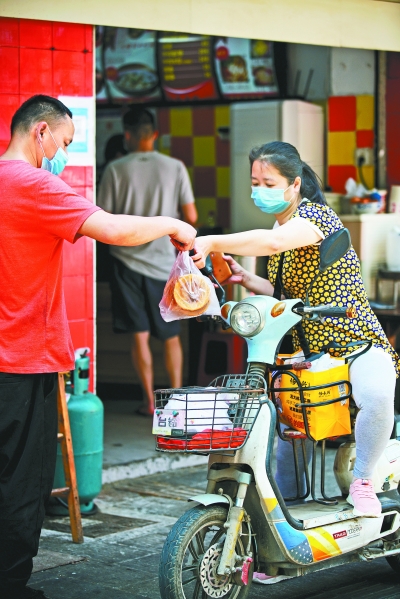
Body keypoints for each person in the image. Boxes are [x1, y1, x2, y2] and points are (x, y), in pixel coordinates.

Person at [0, 95, 197, 599]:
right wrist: (173, 225)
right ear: (41, 132)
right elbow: (112, 229)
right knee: (21, 483)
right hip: (20, 359)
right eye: (63, 143)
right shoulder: (33, 183)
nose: (62, 154)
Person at [195, 141, 399, 524]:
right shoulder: (282, 226)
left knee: (376, 395)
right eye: (254, 181)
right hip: (305, 348)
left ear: (294, 185)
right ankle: (284, 514)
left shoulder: (317, 217)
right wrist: (246, 278)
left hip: (353, 338)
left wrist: (212, 240)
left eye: (268, 182)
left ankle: (363, 483)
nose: (259, 190)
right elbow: (286, 296)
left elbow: (272, 243)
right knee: (288, 424)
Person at [97, 108, 197, 416]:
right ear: (154, 134)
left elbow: (103, 219)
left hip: (126, 263)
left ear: (127, 135)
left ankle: (150, 404)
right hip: (163, 264)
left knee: (138, 336)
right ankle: (178, 400)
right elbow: (191, 217)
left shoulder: (115, 169)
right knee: (171, 336)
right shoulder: (175, 166)